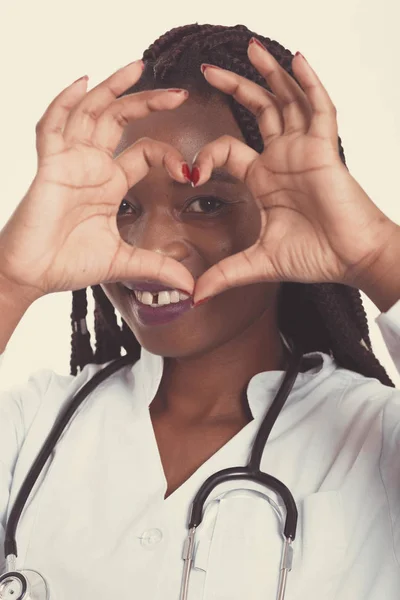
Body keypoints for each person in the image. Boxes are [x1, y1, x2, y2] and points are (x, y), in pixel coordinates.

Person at [0, 21, 399, 600]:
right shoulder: (31, 426)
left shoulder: (374, 436)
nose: (150, 246)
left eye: (207, 203)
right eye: (124, 206)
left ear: (287, 210)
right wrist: (11, 278)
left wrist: (373, 252)